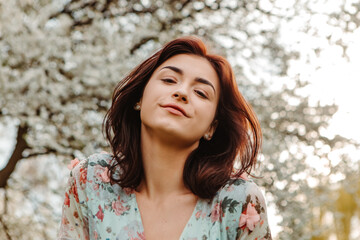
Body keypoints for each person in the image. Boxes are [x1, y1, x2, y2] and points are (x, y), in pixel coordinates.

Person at [58, 36, 272, 240]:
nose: (182, 92)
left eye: (201, 93)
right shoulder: (90, 180)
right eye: (169, 80)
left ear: (211, 128)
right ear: (140, 98)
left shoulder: (239, 201)